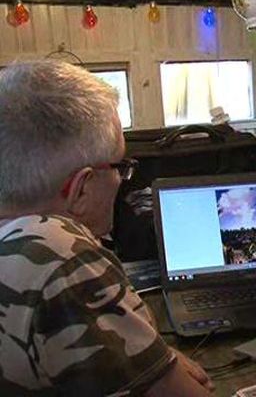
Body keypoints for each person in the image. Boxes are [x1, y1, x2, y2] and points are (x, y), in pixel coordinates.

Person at [0, 61, 214, 396]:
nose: (123, 179)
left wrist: (155, 358)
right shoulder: (60, 255)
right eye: (120, 165)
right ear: (81, 188)